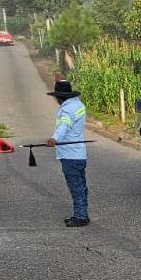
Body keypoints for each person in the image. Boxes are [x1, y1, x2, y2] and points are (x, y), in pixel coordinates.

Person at [46, 79, 90, 228]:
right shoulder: (78, 105)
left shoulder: (67, 109)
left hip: (69, 155)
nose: (56, 100)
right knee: (81, 186)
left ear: (60, 97)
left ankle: (80, 216)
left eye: (56, 97)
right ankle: (82, 213)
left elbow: (65, 125)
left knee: (76, 187)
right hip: (79, 153)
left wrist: (54, 138)